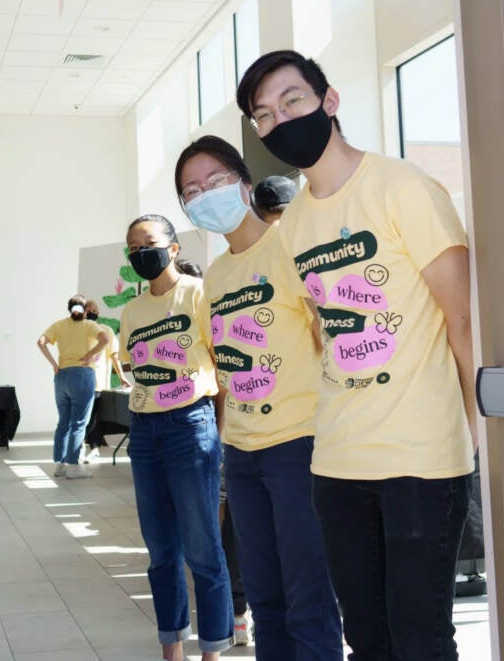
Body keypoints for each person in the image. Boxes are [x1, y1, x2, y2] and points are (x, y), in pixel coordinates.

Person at [237, 50, 475, 660]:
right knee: (366, 639)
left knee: (420, 639)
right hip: (337, 463)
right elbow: (322, 330)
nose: (279, 120)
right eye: (263, 116)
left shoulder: (402, 186)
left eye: (291, 101)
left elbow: (463, 318)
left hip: (421, 459)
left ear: (329, 101)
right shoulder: (293, 227)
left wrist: (478, 439)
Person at [177, 135, 342, 658]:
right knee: (265, 602)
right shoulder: (218, 275)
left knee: (308, 599)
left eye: (217, 181)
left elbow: (329, 342)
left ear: (245, 184)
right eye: (192, 190)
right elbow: (225, 371)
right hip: (242, 455)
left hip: (299, 447)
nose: (206, 194)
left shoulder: (290, 244)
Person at [119, 214, 233, 661]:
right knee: (160, 550)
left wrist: (218, 439)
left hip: (191, 426)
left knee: (203, 548)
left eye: (146, 242)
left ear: (174, 247)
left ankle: (213, 651)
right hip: (145, 431)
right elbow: (135, 369)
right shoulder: (131, 310)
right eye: (131, 247)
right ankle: (173, 650)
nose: (139, 253)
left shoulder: (199, 294)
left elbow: (222, 371)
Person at [37, 295, 109, 479]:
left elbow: (41, 342)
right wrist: (90, 355)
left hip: (62, 376)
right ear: (85, 311)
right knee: (79, 423)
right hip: (83, 375)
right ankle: (73, 466)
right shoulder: (90, 325)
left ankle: (60, 465)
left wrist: (54, 363)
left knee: (63, 422)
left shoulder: (59, 325)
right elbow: (105, 340)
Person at [82, 298, 129, 461]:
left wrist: (122, 376)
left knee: (94, 418)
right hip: (80, 382)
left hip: (98, 384)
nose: (92, 313)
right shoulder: (77, 331)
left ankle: (93, 448)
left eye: (95, 310)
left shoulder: (106, 330)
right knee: (83, 418)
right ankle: (79, 448)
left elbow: (114, 356)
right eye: (89, 310)